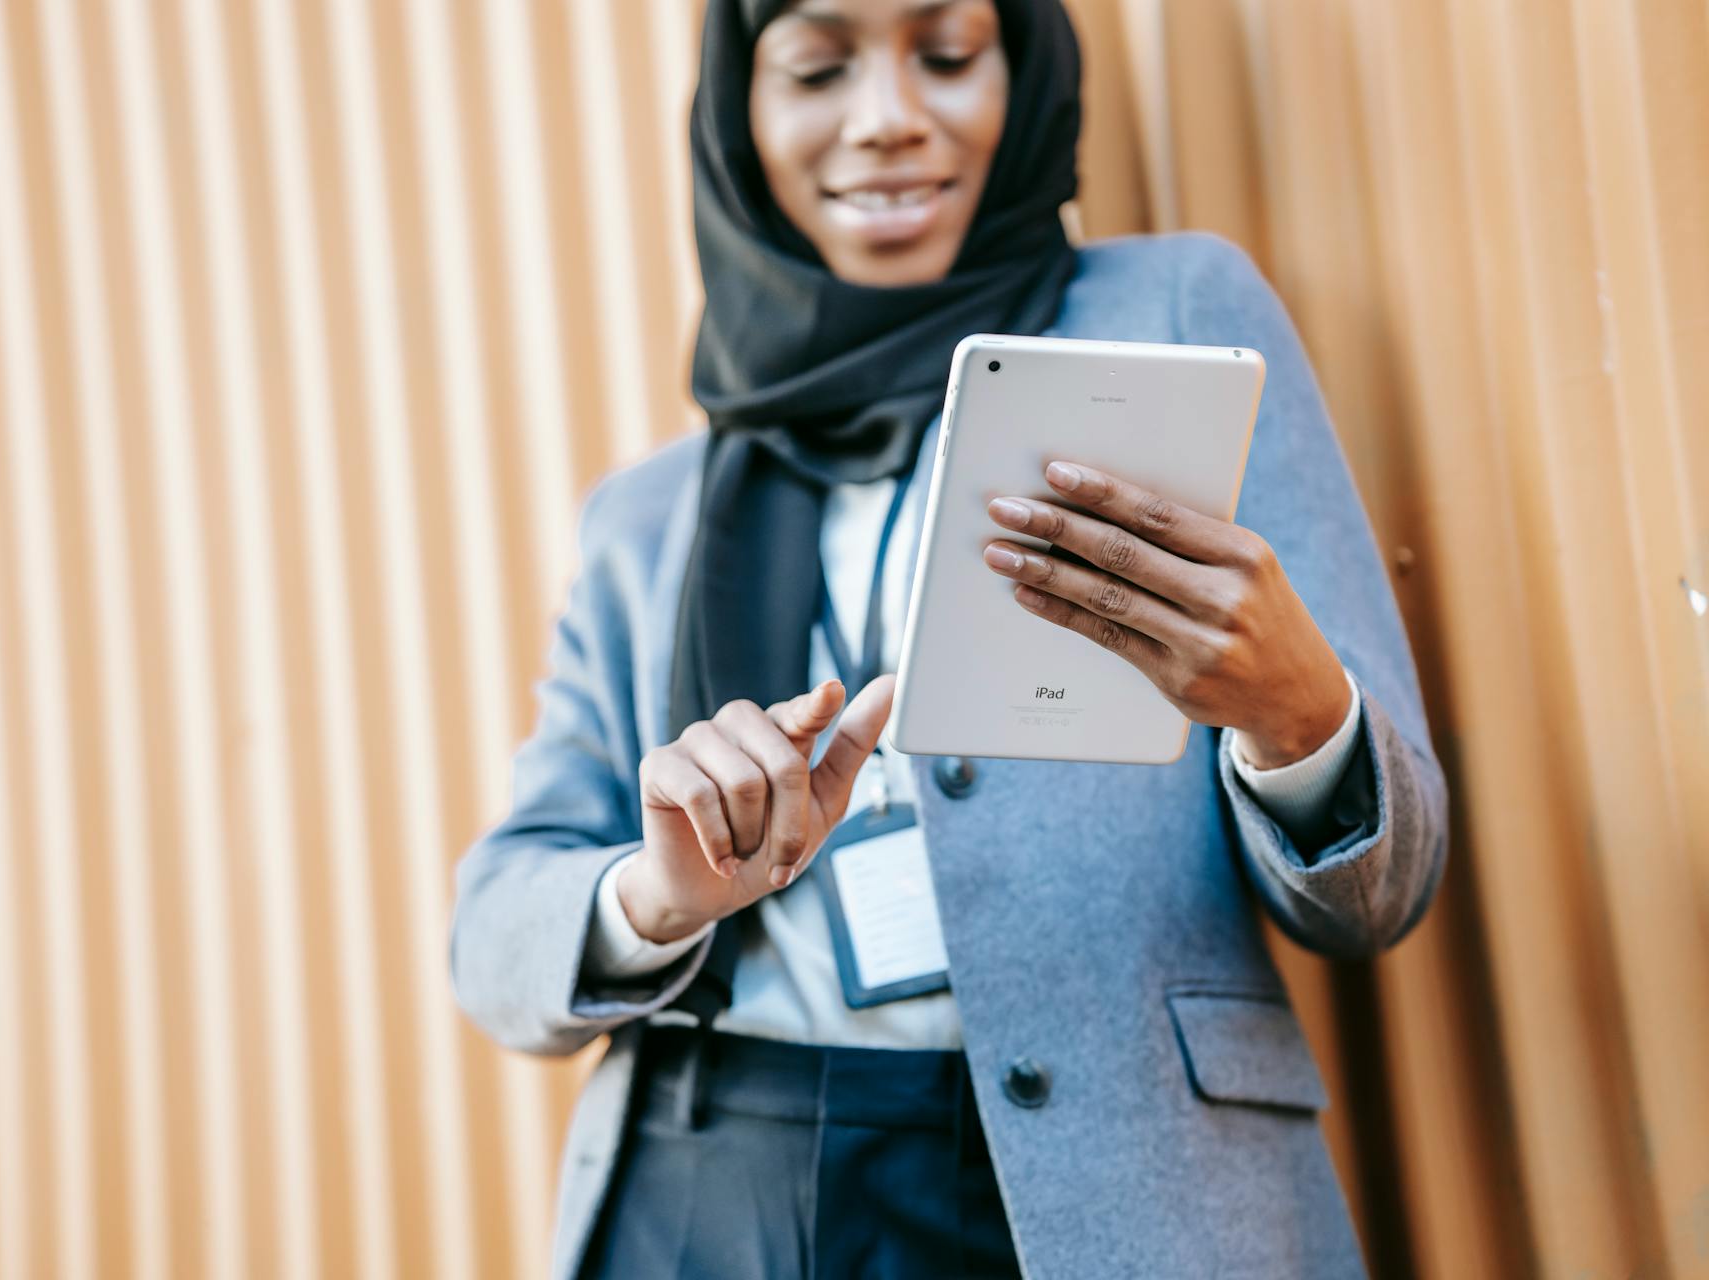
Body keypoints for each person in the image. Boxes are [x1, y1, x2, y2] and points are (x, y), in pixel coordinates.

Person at [450, 0, 1448, 1275]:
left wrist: (1299, 718)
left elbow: (1383, 890)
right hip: (714, 1180)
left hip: (1119, 1183)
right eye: (819, 65)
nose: (889, 119)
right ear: (739, 114)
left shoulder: (1179, 312)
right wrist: (655, 893)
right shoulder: (647, 517)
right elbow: (490, 939)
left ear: (1022, 72)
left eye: (946, 53)